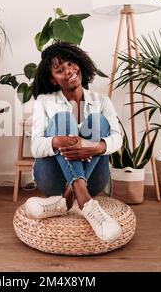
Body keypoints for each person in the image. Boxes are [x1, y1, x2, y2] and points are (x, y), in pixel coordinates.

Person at [25, 42, 123, 243]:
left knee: (97, 121)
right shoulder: (44, 101)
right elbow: (35, 146)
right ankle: (86, 202)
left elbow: (117, 138)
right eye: (60, 70)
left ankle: (67, 198)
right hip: (52, 177)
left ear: (79, 63)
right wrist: (56, 141)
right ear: (53, 80)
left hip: (94, 177)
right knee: (62, 119)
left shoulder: (102, 101)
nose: (69, 71)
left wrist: (96, 147)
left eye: (71, 63)